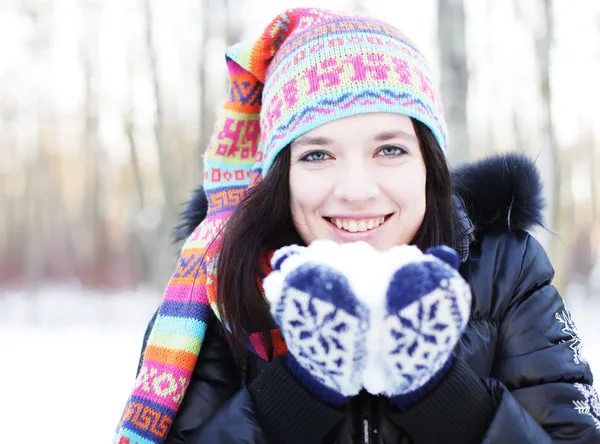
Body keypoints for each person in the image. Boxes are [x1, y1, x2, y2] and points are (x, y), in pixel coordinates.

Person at [113, 7, 600, 444]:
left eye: (389, 149)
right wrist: (302, 389)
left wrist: (438, 390)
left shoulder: (505, 269)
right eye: (318, 154)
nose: (356, 190)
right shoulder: (220, 285)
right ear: (280, 176)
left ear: (429, 163)